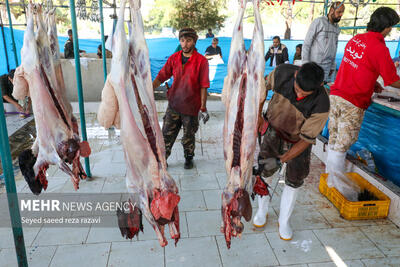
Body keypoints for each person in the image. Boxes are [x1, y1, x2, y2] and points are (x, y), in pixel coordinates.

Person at [326, 7, 400, 197]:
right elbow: (392, 80)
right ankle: (337, 185)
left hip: (336, 95)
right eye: (391, 27)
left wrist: (371, 81)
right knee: (342, 143)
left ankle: (331, 181)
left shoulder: (356, 39)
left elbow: (358, 65)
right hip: (352, 100)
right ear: (387, 27)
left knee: (334, 139)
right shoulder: (379, 47)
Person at [253, 62, 329, 241]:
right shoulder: (282, 72)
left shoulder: (322, 104)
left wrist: (283, 159)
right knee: (265, 171)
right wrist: (257, 114)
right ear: (295, 76)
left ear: (319, 86)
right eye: (297, 90)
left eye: (305, 94)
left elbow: (306, 139)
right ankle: (262, 211)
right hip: (273, 130)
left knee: (295, 179)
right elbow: (261, 88)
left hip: (299, 140)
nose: (300, 95)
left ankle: (284, 220)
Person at [152, 28, 210, 169]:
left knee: (188, 136)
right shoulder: (174, 58)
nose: (185, 44)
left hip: (191, 106)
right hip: (174, 104)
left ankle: (188, 158)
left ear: (194, 42)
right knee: (166, 134)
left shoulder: (201, 61)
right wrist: (148, 90)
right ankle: (162, 159)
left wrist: (203, 107)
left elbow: (203, 85)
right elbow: (161, 76)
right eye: (182, 40)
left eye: (188, 40)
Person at [302, 1, 345, 83]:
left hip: (327, 67)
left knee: (322, 90)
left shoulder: (337, 28)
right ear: (332, 10)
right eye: (339, 12)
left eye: (342, 13)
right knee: (311, 89)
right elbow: (307, 44)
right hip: (314, 66)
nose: (341, 15)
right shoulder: (319, 22)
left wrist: (332, 66)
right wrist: (305, 65)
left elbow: (334, 47)